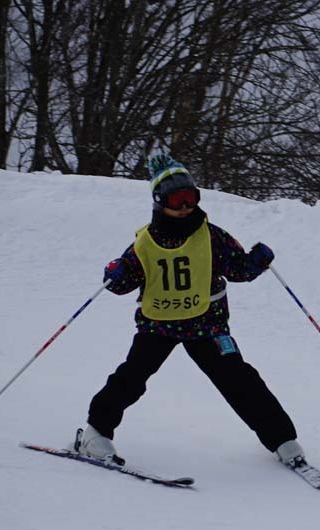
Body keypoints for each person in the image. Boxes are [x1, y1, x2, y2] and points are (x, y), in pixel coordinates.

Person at [75, 154, 305, 469]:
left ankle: (283, 440)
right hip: (159, 324)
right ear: (160, 201)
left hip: (207, 325)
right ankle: (95, 433)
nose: (185, 206)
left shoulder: (211, 236)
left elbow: (237, 269)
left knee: (239, 380)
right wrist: (115, 274)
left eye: (191, 197)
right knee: (131, 378)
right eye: (176, 199)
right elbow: (123, 282)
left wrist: (255, 262)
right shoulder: (145, 243)